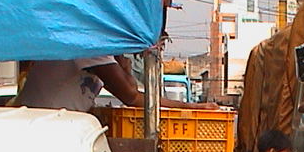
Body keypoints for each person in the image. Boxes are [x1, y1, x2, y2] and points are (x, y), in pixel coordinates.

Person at [12, 54, 218, 112]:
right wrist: (190, 106)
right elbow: (131, 96)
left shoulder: (102, 52)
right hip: (45, 126)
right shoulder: (91, 47)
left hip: (53, 123)